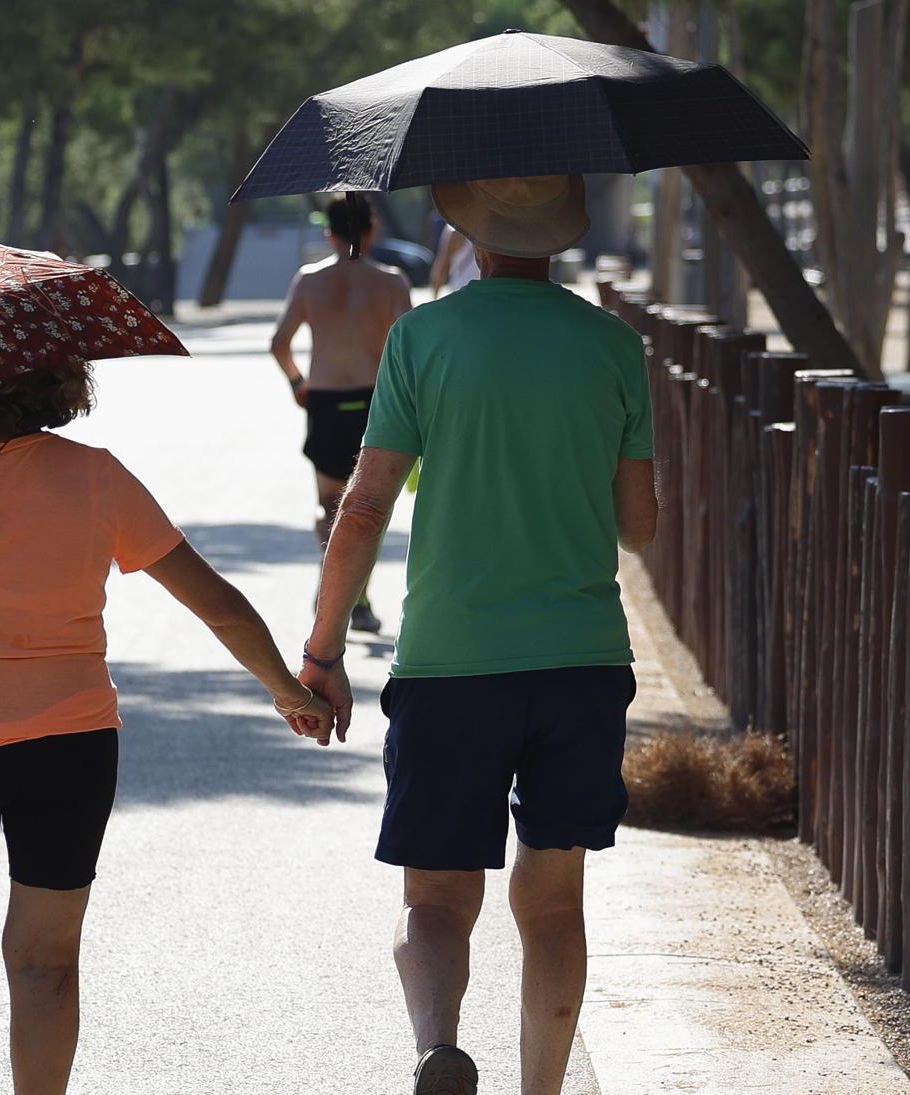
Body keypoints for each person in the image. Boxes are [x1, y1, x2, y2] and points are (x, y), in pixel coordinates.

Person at [0, 364, 334, 1095]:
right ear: (62, 381)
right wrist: (288, 691)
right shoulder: (97, 477)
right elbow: (218, 603)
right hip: (70, 743)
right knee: (46, 955)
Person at [293, 174, 658, 1095]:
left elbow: (366, 502)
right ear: (562, 234)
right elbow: (638, 525)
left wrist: (324, 649)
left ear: (467, 231)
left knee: (435, 898)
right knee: (554, 898)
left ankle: (437, 1048)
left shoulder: (422, 337)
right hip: (579, 659)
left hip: (451, 660)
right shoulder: (614, 344)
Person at [268, 194, 413, 635]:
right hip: (375, 405)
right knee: (369, 507)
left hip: (327, 402)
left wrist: (298, 383)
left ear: (329, 233)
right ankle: (358, 597)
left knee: (329, 506)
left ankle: (333, 580)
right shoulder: (390, 282)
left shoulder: (309, 281)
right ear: (371, 230)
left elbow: (280, 342)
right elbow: (409, 349)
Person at [427, 222, 479, 298]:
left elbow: (443, 265)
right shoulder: (490, 229)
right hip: (483, 292)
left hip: (460, 292)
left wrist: (434, 296)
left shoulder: (455, 231)